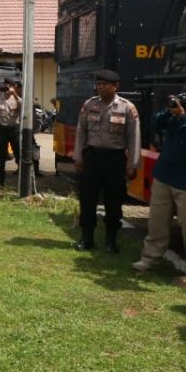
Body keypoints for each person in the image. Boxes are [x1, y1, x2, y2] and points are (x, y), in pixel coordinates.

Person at [133, 83, 186, 279]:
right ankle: (149, 258)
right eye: (184, 97)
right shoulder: (172, 115)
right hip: (164, 175)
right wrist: (169, 110)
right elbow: (155, 124)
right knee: (157, 222)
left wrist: (182, 117)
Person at [73, 69, 140, 253]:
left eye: (105, 84)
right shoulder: (89, 104)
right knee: (87, 199)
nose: (100, 87)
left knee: (114, 201)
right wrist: (78, 155)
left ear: (115, 86)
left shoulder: (127, 108)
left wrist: (132, 164)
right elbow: (81, 131)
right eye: (99, 84)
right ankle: (87, 239)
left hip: (115, 159)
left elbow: (134, 137)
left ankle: (111, 241)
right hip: (92, 157)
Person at [0, 79, 21, 187]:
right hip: (2, 130)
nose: (6, 88)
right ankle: (0, 180)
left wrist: (15, 94)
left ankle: (22, 178)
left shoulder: (17, 99)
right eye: (5, 86)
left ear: (13, 87)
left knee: (18, 154)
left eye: (8, 86)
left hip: (14, 129)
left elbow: (23, 106)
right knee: (0, 156)